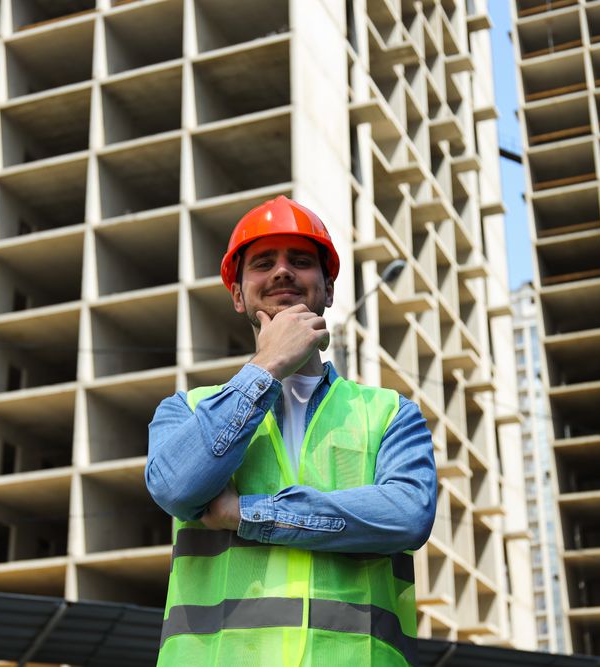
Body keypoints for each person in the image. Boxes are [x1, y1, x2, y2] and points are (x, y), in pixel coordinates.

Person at [146, 196, 437, 666]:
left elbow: (406, 517)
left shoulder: (389, 413)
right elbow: (178, 488)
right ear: (238, 294)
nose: (283, 272)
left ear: (328, 290)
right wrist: (268, 366)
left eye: (300, 261)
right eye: (264, 263)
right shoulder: (186, 410)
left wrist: (248, 514)